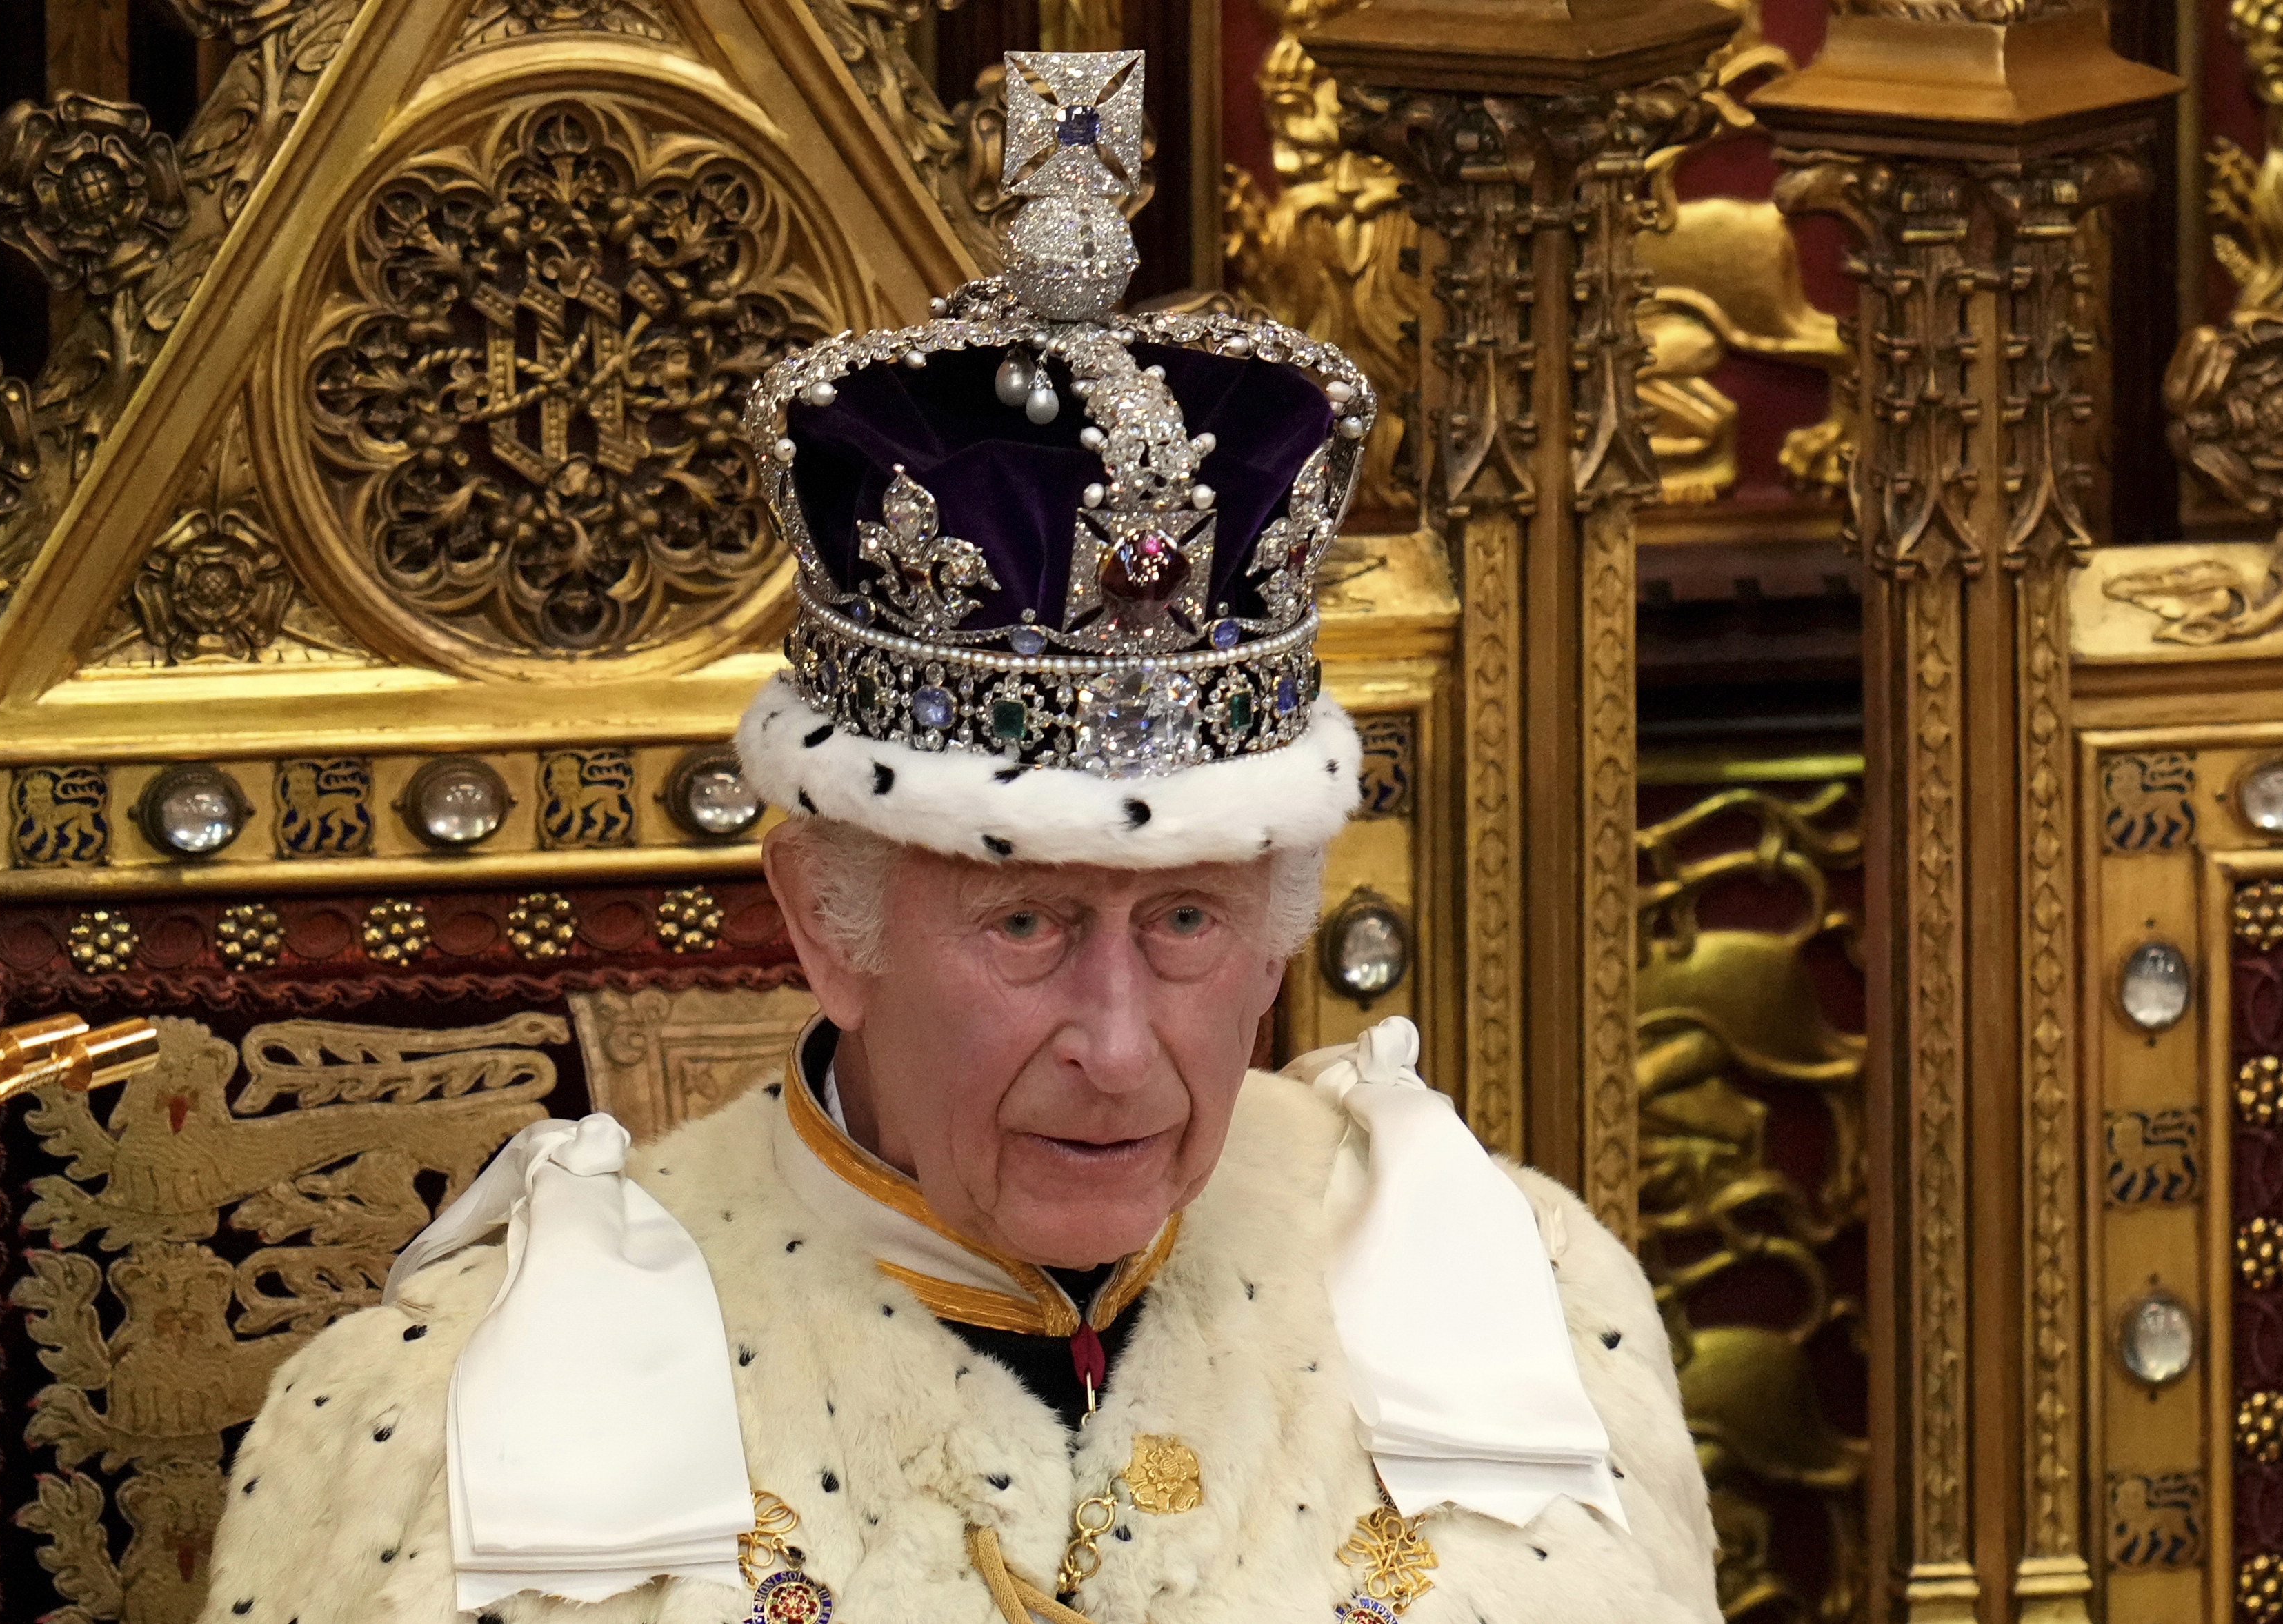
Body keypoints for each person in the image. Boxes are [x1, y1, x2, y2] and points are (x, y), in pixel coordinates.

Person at [198, 48, 1719, 1624]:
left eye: (1187, 919)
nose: (1118, 1049)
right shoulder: (453, 1401)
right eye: (1027, 925)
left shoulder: (1517, 1296)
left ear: (1277, 933)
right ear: (820, 921)